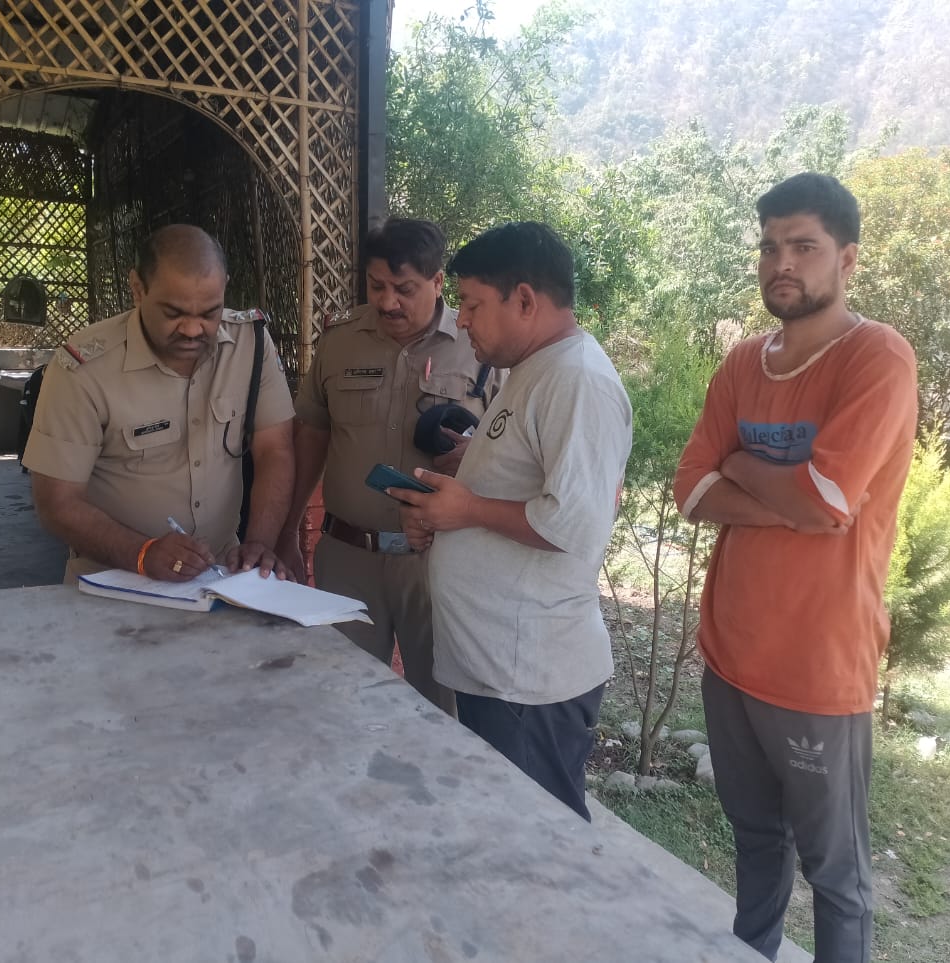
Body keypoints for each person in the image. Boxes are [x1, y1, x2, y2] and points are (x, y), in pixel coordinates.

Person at [672, 173, 918, 963]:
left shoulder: (877, 357)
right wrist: (793, 495)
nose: (782, 262)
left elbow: (828, 498)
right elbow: (691, 489)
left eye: (804, 246)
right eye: (770, 246)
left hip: (818, 668)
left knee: (836, 875)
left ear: (847, 259)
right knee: (753, 838)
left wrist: (745, 466)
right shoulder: (744, 362)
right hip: (730, 656)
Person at [391, 221, 633, 821]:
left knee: (540, 839)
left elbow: (573, 523)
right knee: (506, 830)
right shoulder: (536, 369)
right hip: (499, 670)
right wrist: (455, 496)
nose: (462, 321)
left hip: (531, 681)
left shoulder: (577, 380)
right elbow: (527, 485)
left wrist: (466, 509)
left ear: (524, 299)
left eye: (472, 305)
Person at [278, 218, 501, 714]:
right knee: (344, 704)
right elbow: (312, 435)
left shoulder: (482, 347)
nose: (388, 302)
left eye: (404, 289)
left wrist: (477, 455)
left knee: (442, 710)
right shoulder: (340, 340)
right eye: (376, 286)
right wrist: (288, 528)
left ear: (437, 282)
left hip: (442, 561)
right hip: (348, 558)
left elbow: (517, 448)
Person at [24, 224, 296, 583]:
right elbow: (56, 503)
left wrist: (259, 543)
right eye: (173, 313)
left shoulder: (251, 345)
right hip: (112, 582)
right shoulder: (84, 369)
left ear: (225, 287)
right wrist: (142, 553)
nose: (192, 329)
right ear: (138, 289)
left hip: (221, 577)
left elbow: (275, 450)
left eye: (209, 313)